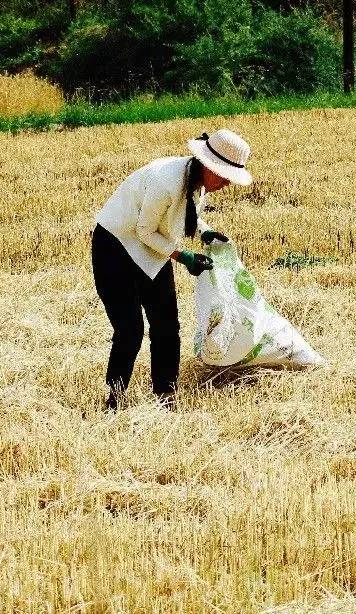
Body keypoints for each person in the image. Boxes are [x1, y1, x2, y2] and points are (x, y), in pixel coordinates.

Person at [92, 128, 253, 411]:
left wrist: (204, 232)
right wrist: (184, 257)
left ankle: (165, 397)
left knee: (167, 326)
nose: (227, 183)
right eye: (225, 175)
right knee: (130, 329)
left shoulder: (195, 181)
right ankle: (114, 400)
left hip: (153, 249)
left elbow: (183, 216)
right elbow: (144, 231)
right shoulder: (166, 181)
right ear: (208, 165)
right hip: (115, 248)